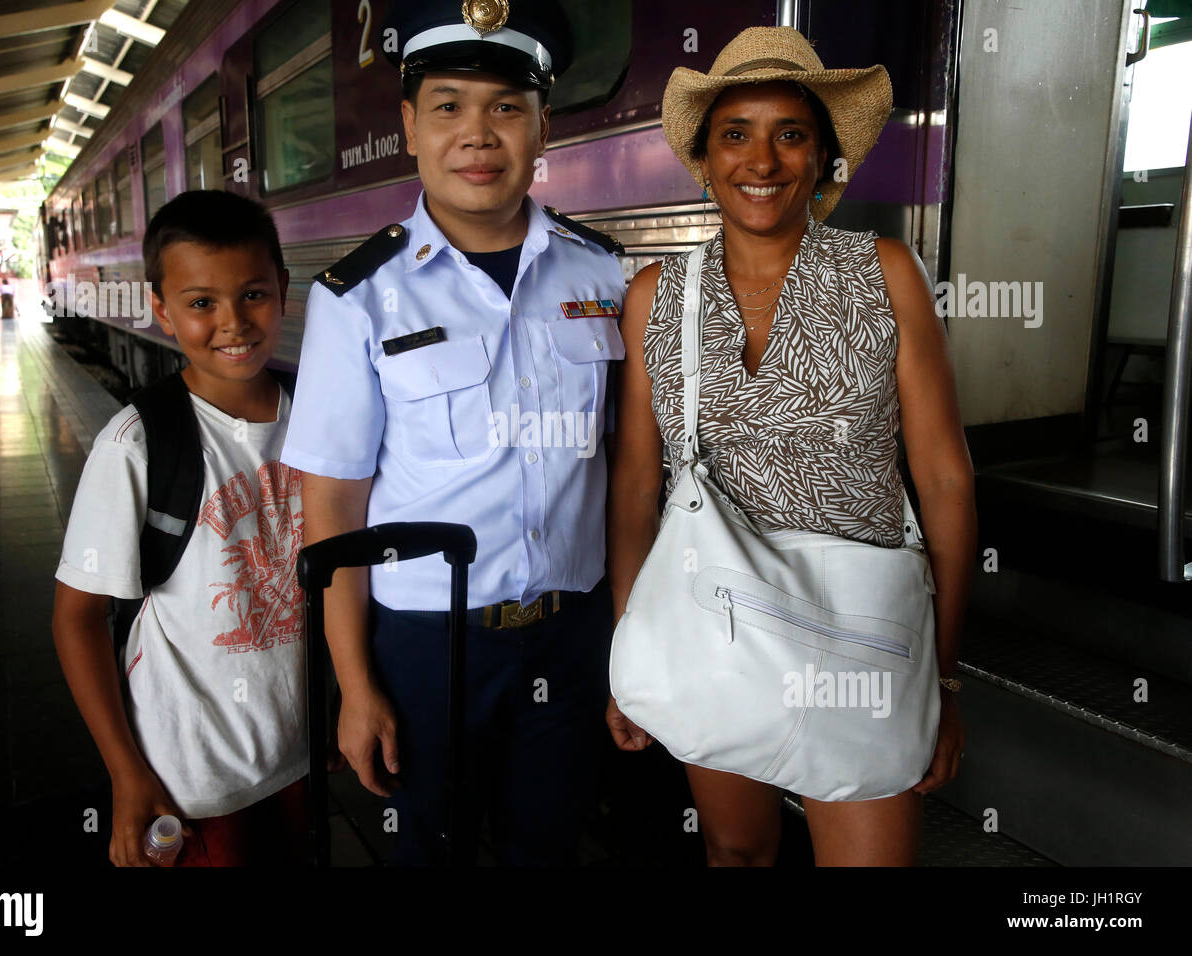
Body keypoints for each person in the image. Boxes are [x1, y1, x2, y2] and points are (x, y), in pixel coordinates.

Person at [605, 27, 977, 866]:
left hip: (862, 637)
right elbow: (634, 489)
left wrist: (944, 678)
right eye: (735, 134)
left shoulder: (885, 272)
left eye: (791, 134)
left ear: (822, 157)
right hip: (713, 631)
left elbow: (947, 483)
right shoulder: (657, 296)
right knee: (736, 854)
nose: (761, 160)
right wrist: (629, 651)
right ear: (705, 155)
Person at [281, 0, 627, 865]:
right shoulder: (356, 297)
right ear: (408, 126)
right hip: (425, 648)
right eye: (448, 106)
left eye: (507, 107)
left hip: (573, 634)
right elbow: (332, 507)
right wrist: (354, 686)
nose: (479, 133)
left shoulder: (606, 273)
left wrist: (631, 639)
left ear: (544, 126)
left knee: (546, 851)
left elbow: (627, 470)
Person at [51, 191, 309, 866]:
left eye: (253, 294)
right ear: (161, 310)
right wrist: (126, 774)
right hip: (188, 776)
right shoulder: (138, 443)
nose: (233, 323)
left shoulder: (321, 421)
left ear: (283, 288)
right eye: (201, 303)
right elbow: (77, 618)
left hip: (299, 755)